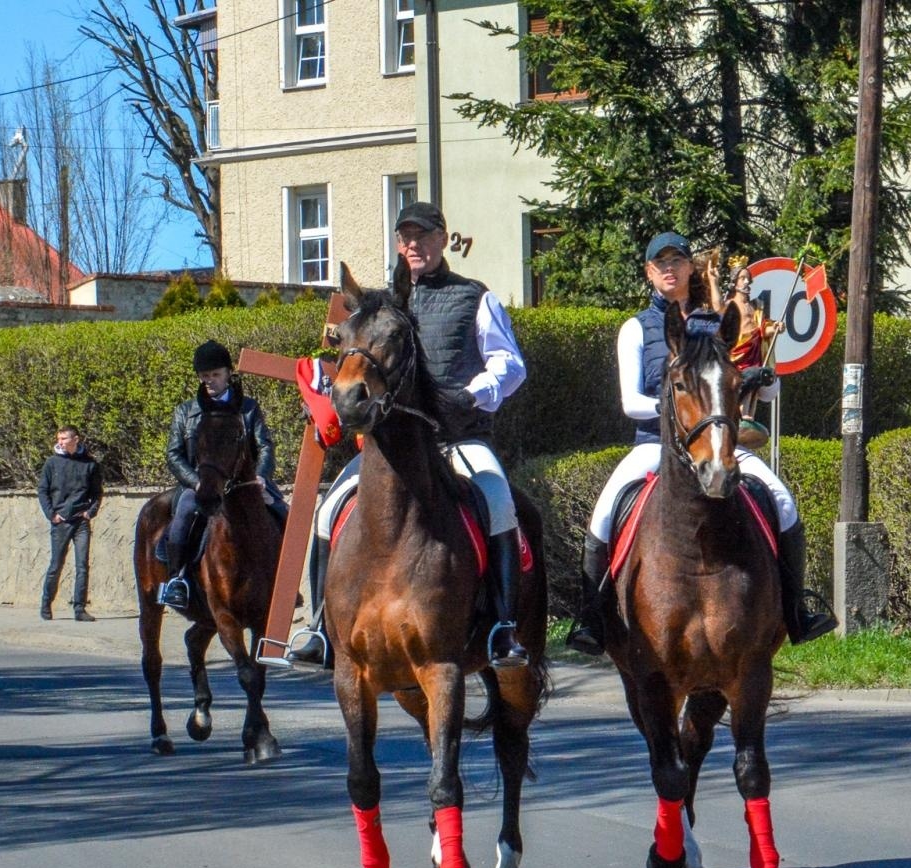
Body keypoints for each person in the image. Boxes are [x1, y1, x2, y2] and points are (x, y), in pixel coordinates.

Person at [565, 231, 836, 654]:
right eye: (661, 264)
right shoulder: (636, 329)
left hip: (718, 440)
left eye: (678, 261)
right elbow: (629, 401)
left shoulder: (720, 322)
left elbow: (765, 393)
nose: (670, 270)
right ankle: (593, 619)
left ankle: (796, 611)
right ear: (650, 272)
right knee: (603, 514)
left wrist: (763, 376)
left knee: (782, 501)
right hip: (655, 444)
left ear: (692, 268)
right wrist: (680, 413)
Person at [289, 200, 532, 669]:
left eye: (423, 236)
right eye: (406, 238)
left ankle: (502, 628)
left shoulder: (475, 297)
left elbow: (510, 365)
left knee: (499, 501)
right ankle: (322, 627)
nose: (414, 245)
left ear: (443, 239)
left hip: (458, 438)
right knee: (328, 510)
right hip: (391, 448)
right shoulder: (383, 305)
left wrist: (472, 395)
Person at [157, 339, 285, 612]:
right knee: (183, 515)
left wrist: (262, 475)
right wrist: (196, 481)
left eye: (215, 375)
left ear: (228, 374)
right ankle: (177, 580)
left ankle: (285, 581)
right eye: (205, 376)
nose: (210, 381)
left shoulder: (248, 408)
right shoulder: (186, 411)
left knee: (283, 513)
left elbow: (264, 445)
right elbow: (174, 454)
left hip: (246, 483)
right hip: (202, 484)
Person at [38, 425, 104, 621]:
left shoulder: (89, 464)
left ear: (76, 439)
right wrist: (52, 515)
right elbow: (42, 490)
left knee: (82, 565)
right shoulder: (52, 463)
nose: (60, 442)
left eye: (64, 438)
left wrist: (90, 512)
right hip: (61, 522)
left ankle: (79, 608)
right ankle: (46, 604)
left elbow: (97, 492)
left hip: (81, 522)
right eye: (58, 438)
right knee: (56, 564)